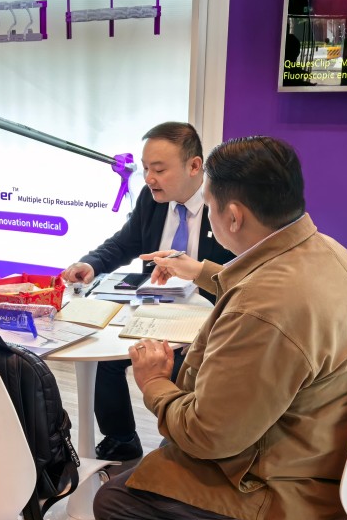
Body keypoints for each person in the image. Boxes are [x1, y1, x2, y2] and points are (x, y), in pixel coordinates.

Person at [93, 136, 347, 520]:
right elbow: (264, 279)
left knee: (117, 504)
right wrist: (202, 271)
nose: (207, 216)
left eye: (209, 206)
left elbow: (209, 437)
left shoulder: (265, 310)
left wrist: (155, 384)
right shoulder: (325, 250)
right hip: (337, 439)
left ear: (232, 216)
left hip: (293, 468)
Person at [61, 122, 234, 461]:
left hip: (206, 321)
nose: (150, 178)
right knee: (103, 358)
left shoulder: (223, 205)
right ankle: (121, 438)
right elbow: (124, 243)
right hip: (153, 309)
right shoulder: (151, 201)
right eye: (145, 169)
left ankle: (182, 444)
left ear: (194, 166)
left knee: (186, 369)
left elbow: (238, 274)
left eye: (159, 169)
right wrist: (91, 264)